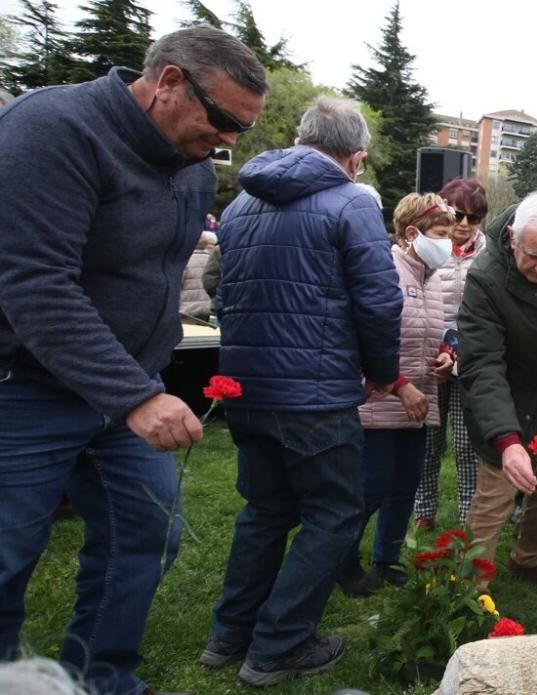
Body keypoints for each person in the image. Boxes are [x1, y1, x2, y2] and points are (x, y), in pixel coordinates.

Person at [0, 24, 267, 695]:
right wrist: (137, 394)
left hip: (122, 387)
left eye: (241, 127)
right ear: (169, 81)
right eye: (225, 118)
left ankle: (100, 678)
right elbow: (36, 282)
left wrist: (140, 378)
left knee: (144, 533)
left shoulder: (192, 166)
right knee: (7, 552)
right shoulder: (52, 130)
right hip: (24, 385)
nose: (230, 139)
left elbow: (152, 278)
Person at [202, 97, 402, 687]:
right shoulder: (349, 203)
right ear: (356, 157)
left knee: (265, 511)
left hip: (248, 387)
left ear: (298, 137)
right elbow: (379, 299)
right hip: (314, 395)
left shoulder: (241, 203)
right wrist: (381, 371)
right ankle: (278, 645)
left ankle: (229, 634)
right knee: (334, 513)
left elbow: (219, 285)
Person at [459, 191, 537, 593]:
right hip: (507, 391)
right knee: (497, 491)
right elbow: (482, 364)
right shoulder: (485, 277)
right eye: (533, 255)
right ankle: (466, 589)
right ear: (512, 237)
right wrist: (507, 439)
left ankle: (527, 559)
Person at [343, 193, 453, 595]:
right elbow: (368, 335)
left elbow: (438, 329)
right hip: (378, 399)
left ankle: (386, 558)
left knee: (405, 484)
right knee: (372, 485)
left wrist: (447, 353)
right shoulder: (385, 270)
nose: (449, 244)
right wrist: (395, 383)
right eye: (441, 234)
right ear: (412, 233)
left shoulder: (434, 276)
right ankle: (343, 558)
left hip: (419, 399)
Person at [413, 178, 488, 531]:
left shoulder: (490, 255)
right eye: (457, 214)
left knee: (465, 445)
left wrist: (459, 353)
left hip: (468, 358)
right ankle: (423, 511)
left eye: (473, 218)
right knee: (427, 442)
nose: (463, 224)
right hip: (428, 354)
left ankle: (466, 518)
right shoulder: (423, 248)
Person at [180, 231, 217, 323]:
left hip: (186, 311)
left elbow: (177, 283)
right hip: (207, 309)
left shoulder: (184, 261)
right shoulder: (211, 259)